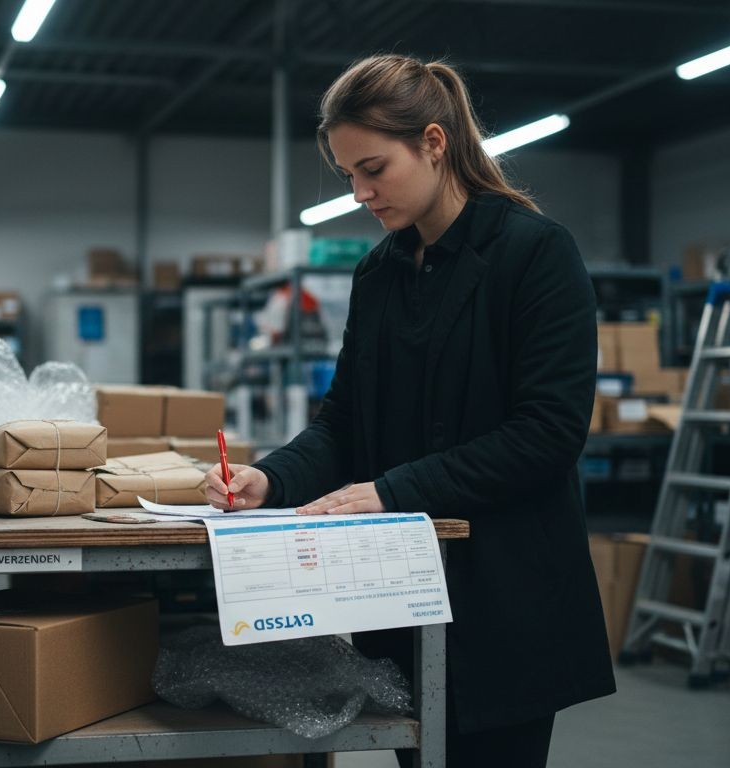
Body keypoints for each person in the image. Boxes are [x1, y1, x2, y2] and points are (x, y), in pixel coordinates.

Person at [203, 54, 616, 768]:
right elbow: (344, 423)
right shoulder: (381, 273)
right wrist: (269, 480)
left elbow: (548, 432)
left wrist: (391, 491)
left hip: (508, 604)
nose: (360, 192)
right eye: (348, 176)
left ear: (433, 142)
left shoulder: (535, 253)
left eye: (373, 168)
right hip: (405, 600)